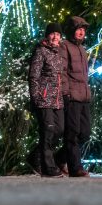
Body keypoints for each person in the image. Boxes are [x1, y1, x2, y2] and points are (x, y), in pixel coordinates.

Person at [28, 23, 67, 177]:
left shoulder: (59, 53)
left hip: (58, 99)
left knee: (60, 130)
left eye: (58, 34)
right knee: (48, 131)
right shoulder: (40, 51)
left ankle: (35, 156)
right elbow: (33, 75)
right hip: (44, 99)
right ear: (47, 36)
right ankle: (48, 167)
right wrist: (36, 96)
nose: (55, 36)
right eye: (52, 34)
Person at [58, 15, 91, 178]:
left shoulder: (82, 50)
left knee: (85, 133)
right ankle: (75, 168)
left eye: (83, 30)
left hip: (84, 96)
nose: (81, 32)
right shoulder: (64, 46)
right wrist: (65, 93)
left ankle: (57, 159)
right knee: (72, 133)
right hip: (71, 96)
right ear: (72, 30)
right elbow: (62, 72)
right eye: (79, 29)